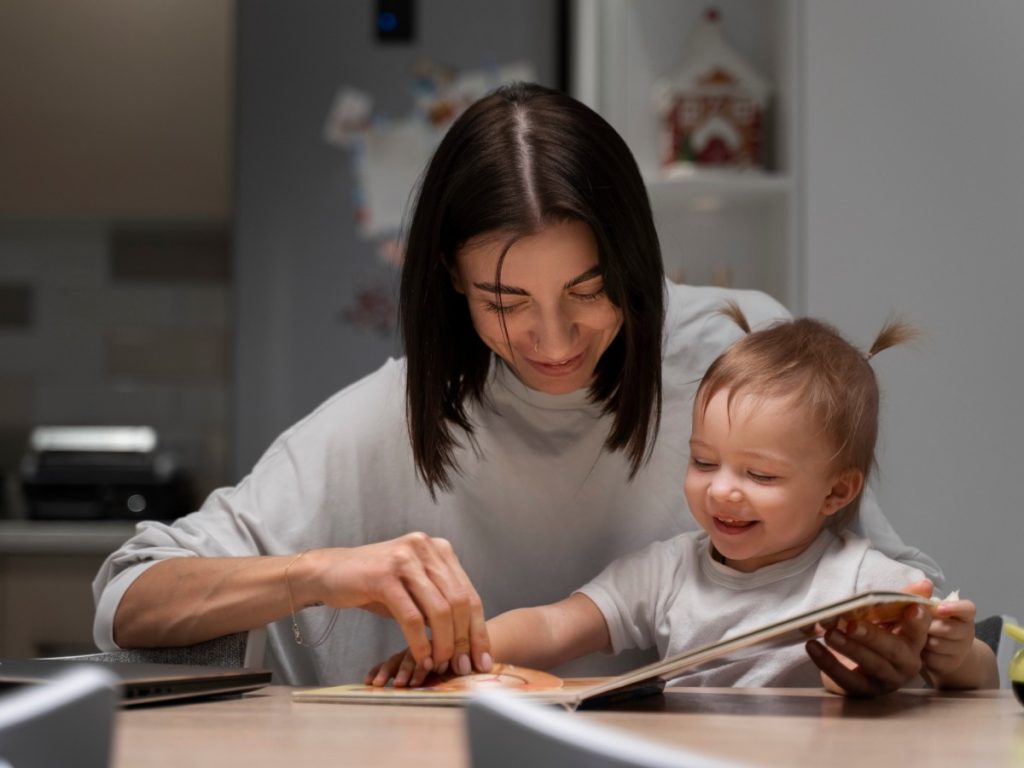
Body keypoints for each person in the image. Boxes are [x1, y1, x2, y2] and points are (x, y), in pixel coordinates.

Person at [92, 83, 942, 688]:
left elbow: (898, 585)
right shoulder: (387, 421)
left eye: (588, 291)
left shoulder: (734, 353)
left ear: (638, 261)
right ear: (452, 284)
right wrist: (321, 573)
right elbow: (130, 599)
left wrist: (904, 654)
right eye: (506, 302)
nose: (554, 340)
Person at [369, 306, 998, 693]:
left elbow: (980, 676)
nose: (722, 488)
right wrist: (456, 652)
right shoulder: (669, 573)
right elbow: (555, 624)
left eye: (761, 475)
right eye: (703, 461)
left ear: (836, 491)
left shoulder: (863, 581)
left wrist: (955, 654)